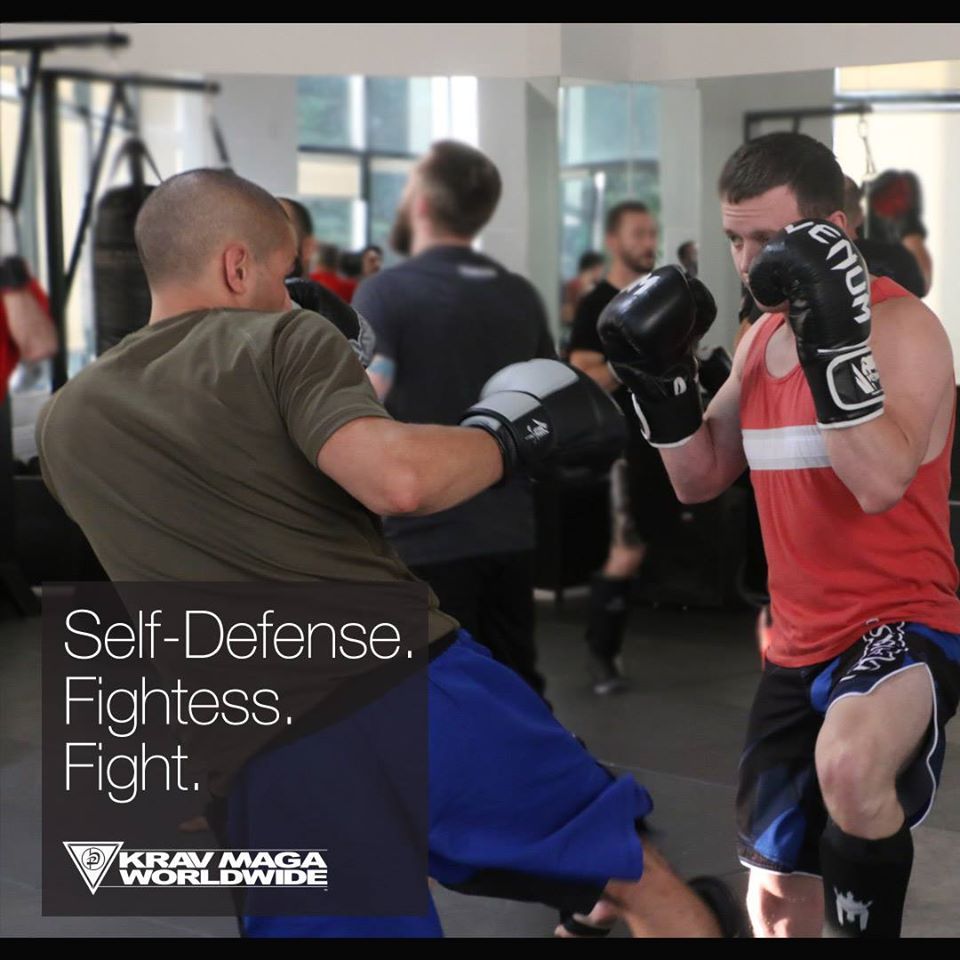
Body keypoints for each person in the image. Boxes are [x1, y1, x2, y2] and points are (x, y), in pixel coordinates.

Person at [35, 167, 744, 939]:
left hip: (251, 752)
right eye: (283, 273)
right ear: (237, 265)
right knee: (632, 872)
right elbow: (399, 481)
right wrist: (511, 433)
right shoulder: (280, 337)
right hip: (401, 686)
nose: (292, 296)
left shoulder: (66, 419)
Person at [598, 131, 960, 938]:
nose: (748, 261)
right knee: (776, 911)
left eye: (768, 239)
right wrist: (660, 384)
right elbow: (699, 476)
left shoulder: (906, 330)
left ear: (831, 231)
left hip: (902, 621)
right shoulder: (761, 340)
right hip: (796, 643)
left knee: (851, 764)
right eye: (736, 240)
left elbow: (878, 483)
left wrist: (835, 343)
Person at [355, 140, 555, 694]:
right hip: (508, 532)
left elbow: (363, 398)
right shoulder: (519, 295)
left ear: (420, 203)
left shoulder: (385, 292)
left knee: (432, 696)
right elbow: (548, 401)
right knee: (513, 689)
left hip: (423, 538)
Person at [568, 201, 682, 694]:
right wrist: (627, 363)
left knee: (650, 540)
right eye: (638, 233)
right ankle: (601, 655)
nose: (647, 242)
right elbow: (582, 374)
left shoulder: (659, 300)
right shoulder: (597, 303)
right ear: (613, 241)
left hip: (663, 439)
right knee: (627, 547)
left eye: (652, 233)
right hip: (620, 444)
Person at [842, 176, 925, 298]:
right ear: (860, 216)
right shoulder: (898, 258)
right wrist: (910, 231)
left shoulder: (819, 259)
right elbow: (918, 294)